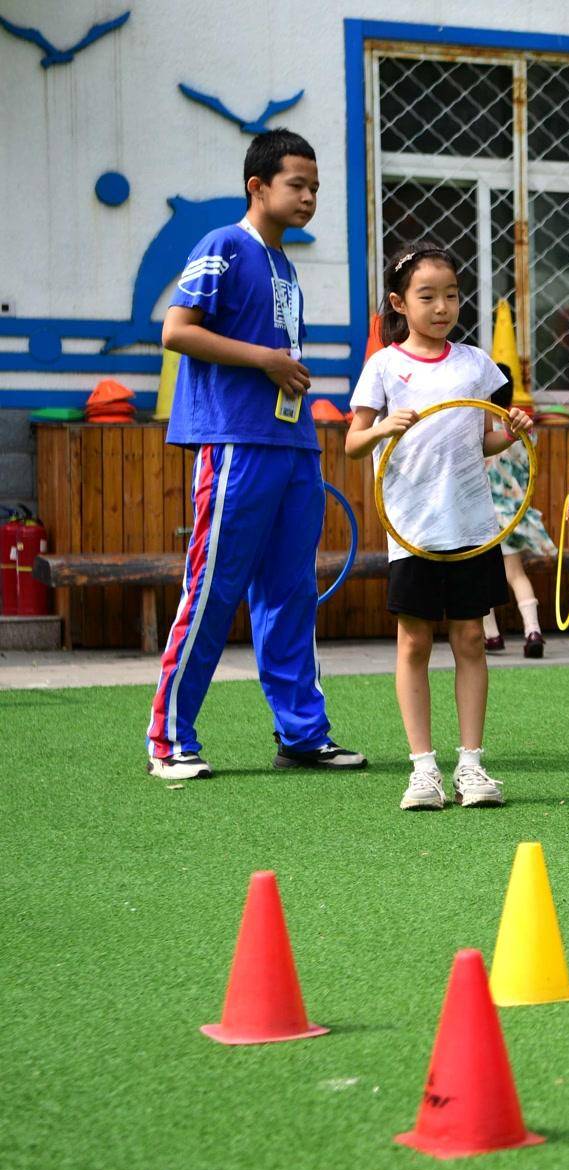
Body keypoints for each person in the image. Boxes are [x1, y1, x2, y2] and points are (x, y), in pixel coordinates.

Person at [146, 129, 365, 780]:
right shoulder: (224, 245)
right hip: (236, 444)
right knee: (213, 589)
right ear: (258, 186)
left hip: (294, 446)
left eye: (316, 188)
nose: (309, 197)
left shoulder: (287, 266)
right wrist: (265, 360)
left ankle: (303, 734)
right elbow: (176, 329)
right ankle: (169, 740)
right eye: (298, 184)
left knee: (292, 591)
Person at [345, 243, 532, 810]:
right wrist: (381, 430)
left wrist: (515, 429)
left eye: (451, 294)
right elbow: (352, 443)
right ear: (400, 303)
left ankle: (471, 766)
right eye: (427, 296)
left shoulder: (476, 364)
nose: (442, 305)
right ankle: (423, 768)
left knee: (472, 637)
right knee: (414, 642)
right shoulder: (384, 365)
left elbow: (484, 440)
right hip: (411, 527)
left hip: (472, 521)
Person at [480, 436, 555, 657]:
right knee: (516, 574)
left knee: (480, 576)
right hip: (512, 514)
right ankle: (533, 631)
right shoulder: (519, 432)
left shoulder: (478, 428)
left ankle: (491, 636)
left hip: (483, 516)